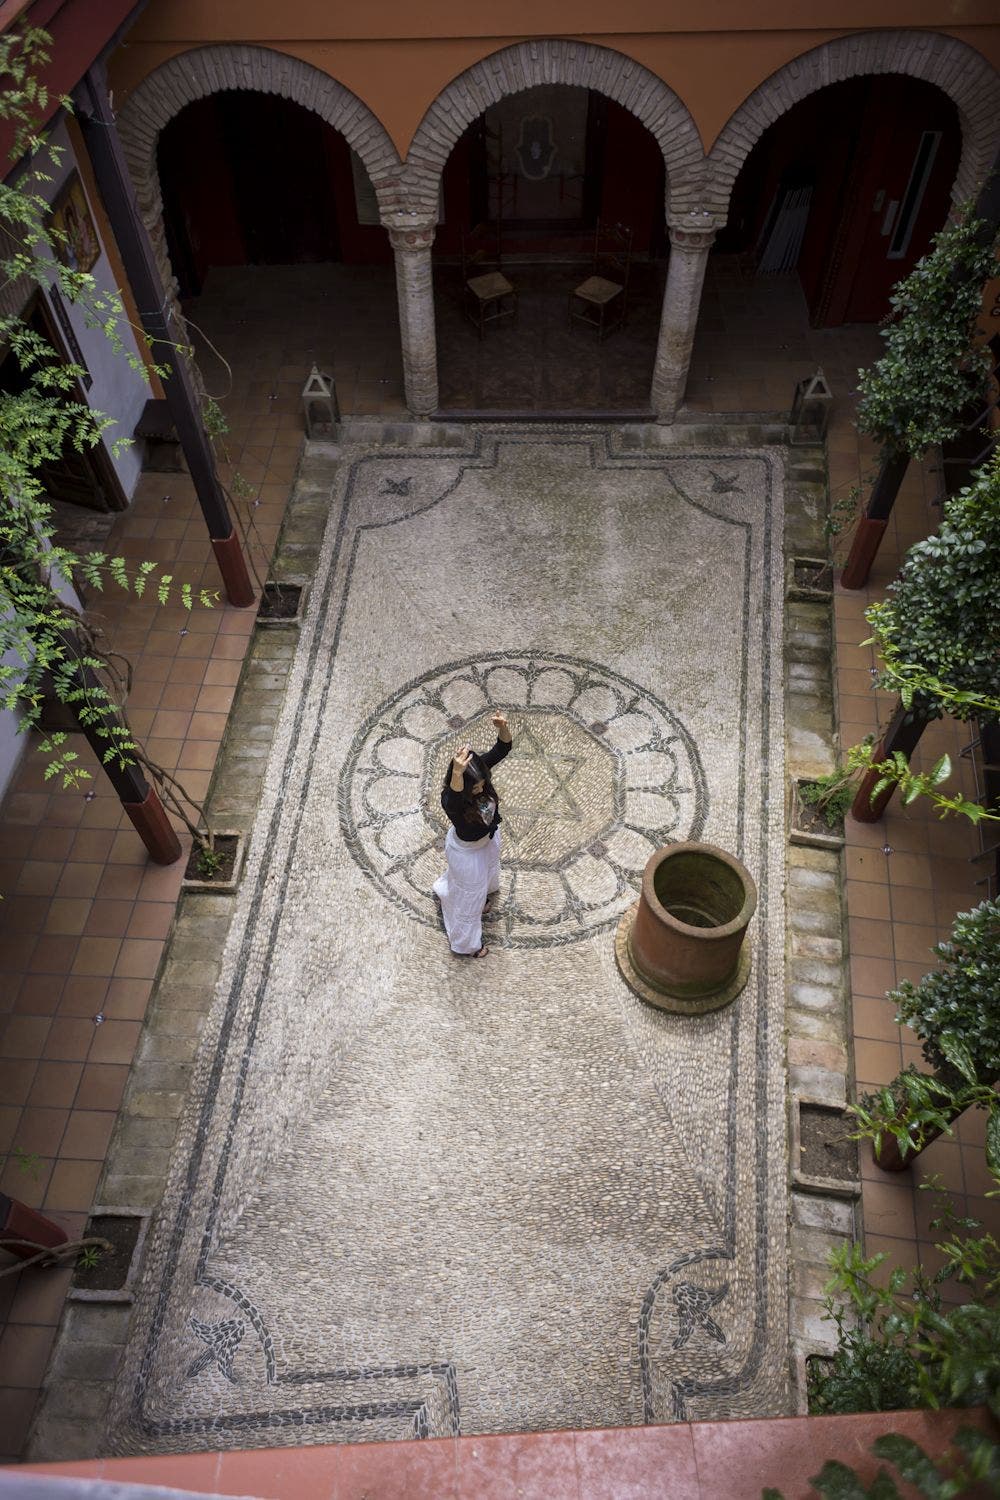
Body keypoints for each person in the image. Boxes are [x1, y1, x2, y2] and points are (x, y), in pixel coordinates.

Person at [433, 710, 513, 958]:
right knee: (469, 898)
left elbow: (502, 749)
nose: (481, 788)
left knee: (486, 878)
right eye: (475, 787)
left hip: (487, 840)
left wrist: (502, 728)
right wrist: (457, 773)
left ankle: (483, 900)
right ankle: (467, 945)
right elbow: (455, 795)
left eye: (482, 782)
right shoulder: (452, 800)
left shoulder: (478, 772)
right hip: (466, 853)